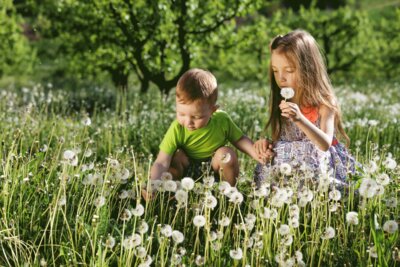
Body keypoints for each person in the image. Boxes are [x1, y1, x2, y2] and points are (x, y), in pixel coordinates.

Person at [254, 30, 357, 187]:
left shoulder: (325, 102)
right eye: (275, 70)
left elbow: (324, 144)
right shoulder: (281, 100)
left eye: (289, 70)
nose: (280, 77)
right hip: (290, 165)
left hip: (320, 165)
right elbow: (281, 141)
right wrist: (267, 144)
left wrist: (300, 119)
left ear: (308, 68)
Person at [143, 68, 265, 200]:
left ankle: (229, 196)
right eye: (181, 114)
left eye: (196, 117)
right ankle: (174, 195)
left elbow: (240, 139)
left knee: (226, 154)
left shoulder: (222, 120)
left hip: (215, 170)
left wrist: (257, 154)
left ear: (213, 110)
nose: (188, 122)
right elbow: (161, 162)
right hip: (186, 171)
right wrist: (153, 185)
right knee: (175, 157)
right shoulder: (177, 128)